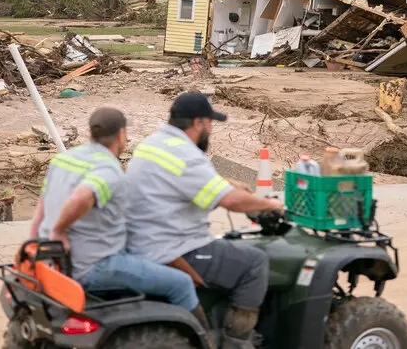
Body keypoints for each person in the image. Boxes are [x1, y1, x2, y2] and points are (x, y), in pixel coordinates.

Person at [125, 92, 284, 349]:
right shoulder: (188, 156)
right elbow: (230, 201)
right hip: (173, 247)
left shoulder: (154, 143)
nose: (210, 130)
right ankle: (237, 342)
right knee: (254, 263)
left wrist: (228, 183)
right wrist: (272, 204)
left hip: (141, 240)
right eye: (210, 124)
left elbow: (184, 179)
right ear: (198, 123)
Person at [29, 107, 209, 330]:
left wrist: (40, 247)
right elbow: (83, 196)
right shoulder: (109, 170)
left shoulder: (63, 160)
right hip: (95, 266)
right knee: (181, 283)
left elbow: (39, 215)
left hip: (57, 265)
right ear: (121, 135)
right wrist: (59, 230)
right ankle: (206, 340)